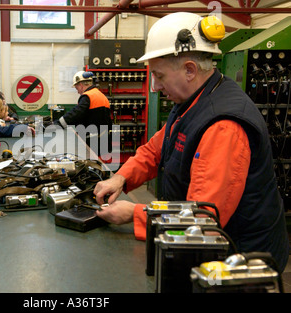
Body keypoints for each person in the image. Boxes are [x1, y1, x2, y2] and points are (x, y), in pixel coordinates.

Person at [93, 12, 289, 272]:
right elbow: (156, 149)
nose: (154, 86)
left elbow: (203, 217)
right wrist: (121, 178)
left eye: (159, 76)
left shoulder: (223, 126)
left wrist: (135, 214)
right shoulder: (190, 101)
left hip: (240, 262)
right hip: (207, 247)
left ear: (189, 69)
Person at [54, 70, 112, 156]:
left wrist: (57, 124)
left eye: (77, 88)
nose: (77, 91)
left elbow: (75, 114)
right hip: (103, 141)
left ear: (81, 85)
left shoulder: (87, 96)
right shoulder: (101, 96)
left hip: (92, 143)